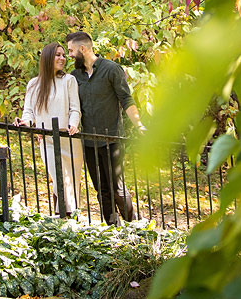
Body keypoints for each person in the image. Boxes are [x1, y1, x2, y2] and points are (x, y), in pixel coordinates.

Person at [65, 31, 145, 225]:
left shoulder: (111, 69)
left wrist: (140, 125)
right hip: (89, 141)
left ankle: (133, 226)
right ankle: (112, 229)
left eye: (71, 51)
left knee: (117, 188)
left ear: (82, 49)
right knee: (101, 190)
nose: (69, 55)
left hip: (112, 140)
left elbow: (126, 99)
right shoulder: (74, 77)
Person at [18, 42, 82, 216]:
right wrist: (27, 123)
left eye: (63, 55)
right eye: (58, 55)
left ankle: (65, 218)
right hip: (47, 140)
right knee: (59, 179)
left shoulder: (69, 81)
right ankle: (65, 216)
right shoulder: (34, 84)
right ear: (47, 58)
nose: (62, 58)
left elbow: (75, 108)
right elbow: (29, 111)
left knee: (72, 182)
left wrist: (73, 124)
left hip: (69, 140)